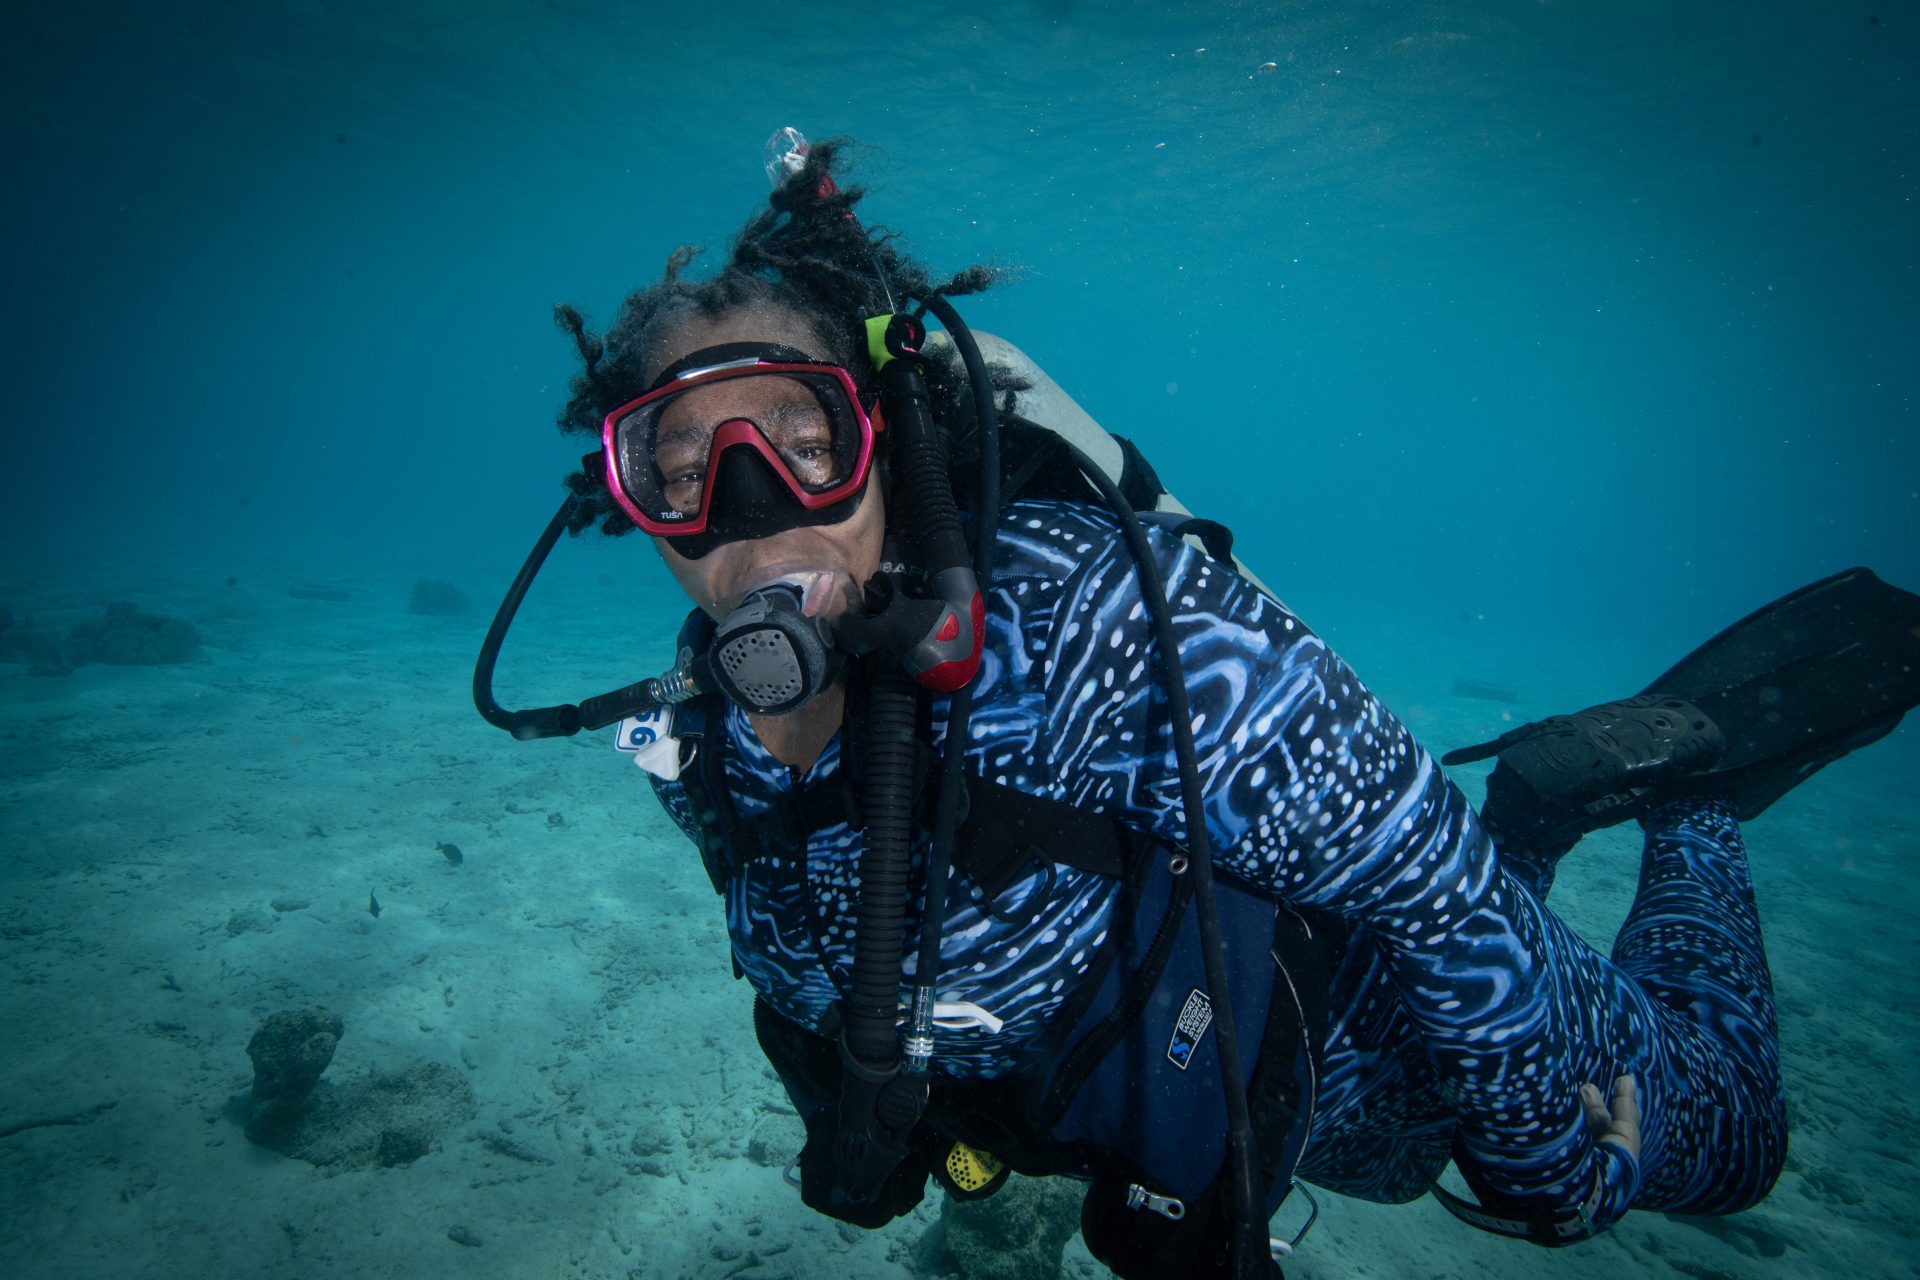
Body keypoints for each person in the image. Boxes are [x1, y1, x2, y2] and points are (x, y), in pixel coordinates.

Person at [478, 137, 1920, 1279]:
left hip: (1385, 1032)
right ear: (626, 506)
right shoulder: (699, 731)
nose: (750, 505)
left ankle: (1689, 798)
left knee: (1731, 1141)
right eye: (679, 466)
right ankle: (1543, 810)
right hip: (1263, 1121)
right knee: (1388, 1164)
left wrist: (1544, 1138)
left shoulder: (1085, 621)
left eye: (804, 438)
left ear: (884, 438)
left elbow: (1428, 873)